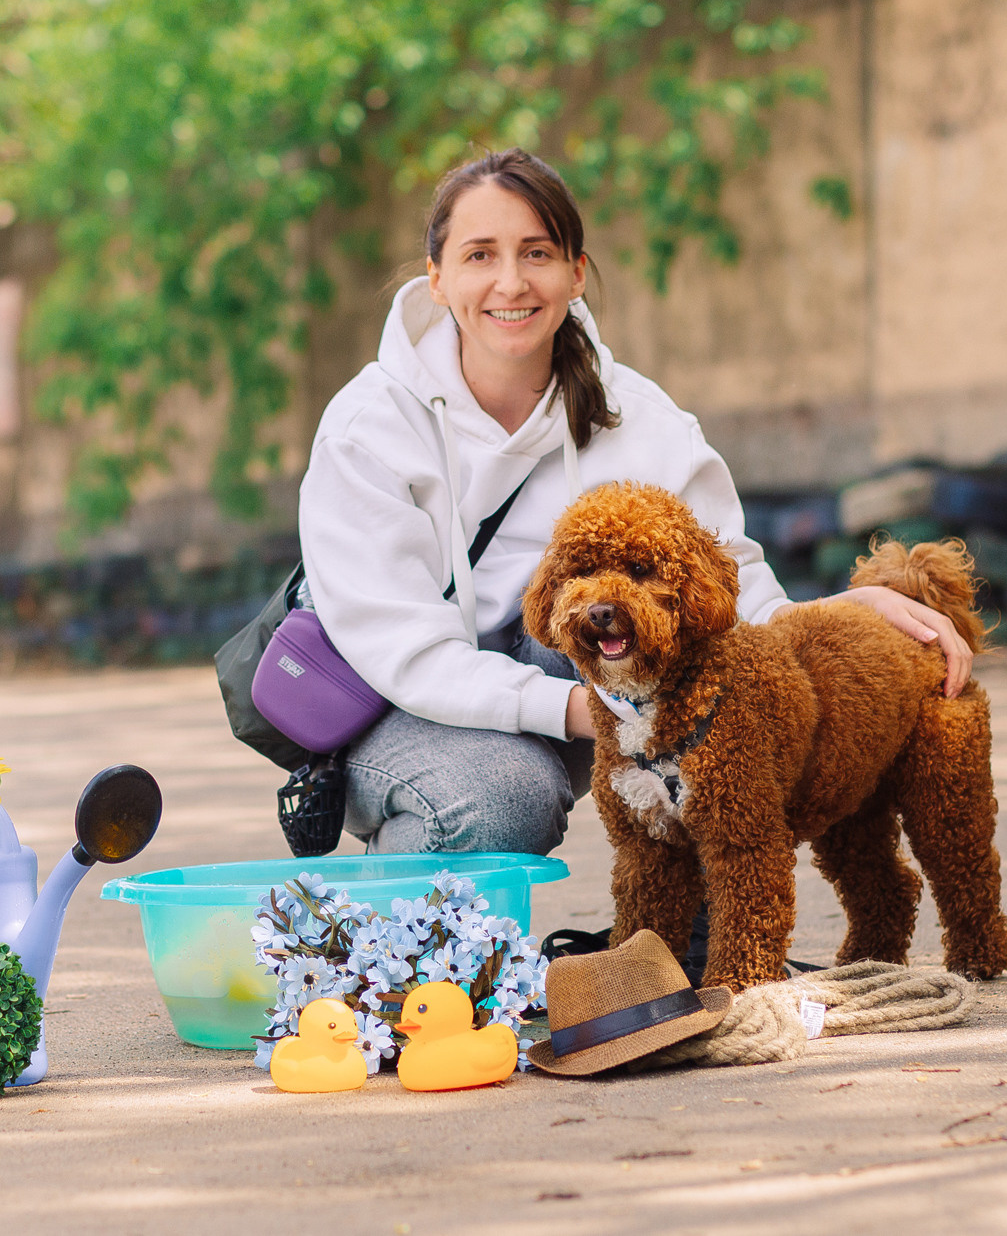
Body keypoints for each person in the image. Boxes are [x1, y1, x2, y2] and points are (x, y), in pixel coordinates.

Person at [297, 148, 971, 857]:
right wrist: (581, 709)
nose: (510, 281)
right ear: (437, 279)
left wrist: (833, 611)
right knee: (502, 797)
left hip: (574, 684)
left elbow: (726, 598)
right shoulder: (367, 427)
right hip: (398, 704)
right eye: (479, 255)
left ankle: (695, 937)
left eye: (536, 253)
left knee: (717, 693)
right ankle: (394, 941)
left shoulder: (639, 417)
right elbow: (406, 651)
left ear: (576, 272)